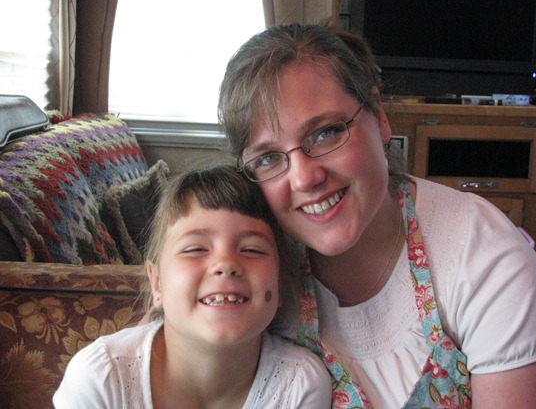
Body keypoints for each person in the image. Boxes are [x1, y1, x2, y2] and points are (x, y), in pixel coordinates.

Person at [217, 23, 536, 408]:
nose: (304, 178)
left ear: (379, 117)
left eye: (326, 133)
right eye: (269, 158)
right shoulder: (251, 273)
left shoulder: (486, 257)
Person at [53, 164, 332, 409]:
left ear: (279, 284)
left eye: (252, 249)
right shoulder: (101, 379)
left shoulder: (300, 385)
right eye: (195, 249)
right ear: (157, 282)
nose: (225, 264)